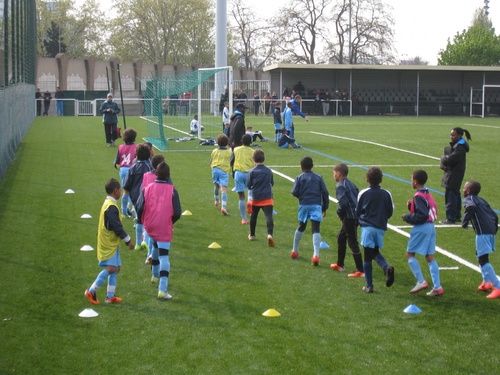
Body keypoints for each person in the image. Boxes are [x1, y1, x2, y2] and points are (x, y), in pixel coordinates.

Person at [84, 178, 134, 305]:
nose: (121, 192)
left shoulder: (108, 204)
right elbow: (117, 227)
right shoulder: (111, 207)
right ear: (115, 191)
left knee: (116, 268)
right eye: (120, 190)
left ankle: (110, 296)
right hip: (108, 243)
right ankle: (91, 291)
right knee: (111, 267)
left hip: (111, 242)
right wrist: (128, 241)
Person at [136, 162, 182, 300]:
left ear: (155, 173)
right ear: (168, 175)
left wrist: (144, 221)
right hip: (163, 226)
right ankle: (163, 289)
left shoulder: (147, 188)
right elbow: (178, 212)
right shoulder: (172, 190)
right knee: (164, 256)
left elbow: (139, 207)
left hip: (150, 224)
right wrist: (169, 222)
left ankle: (155, 275)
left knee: (155, 245)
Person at [402, 170, 443, 296]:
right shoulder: (427, 193)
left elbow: (422, 215)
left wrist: (408, 217)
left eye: (411, 179)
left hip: (422, 227)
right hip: (431, 226)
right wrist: (412, 208)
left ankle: (421, 281)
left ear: (415, 181)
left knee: (410, 253)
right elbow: (428, 210)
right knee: (429, 256)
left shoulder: (418, 196)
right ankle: (437, 287)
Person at [357, 167, 395, 293]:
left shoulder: (363, 193)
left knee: (367, 257)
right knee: (375, 252)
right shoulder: (386, 193)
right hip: (380, 227)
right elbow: (390, 211)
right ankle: (386, 268)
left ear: (367, 180)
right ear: (381, 180)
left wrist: (359, 222)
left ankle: (369, 285)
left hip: (368, 227)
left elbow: (358, 211)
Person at [461, 180, 500, 299]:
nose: (463, 190)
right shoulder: (482, 200)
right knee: (480, 256)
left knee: (483, 259)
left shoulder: (469, 199)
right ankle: (486, 281)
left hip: (483, 232)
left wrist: (465, 221)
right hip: (491, 230)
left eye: (464, 188)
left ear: (468, 191)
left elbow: (471, 207)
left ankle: (497, 286)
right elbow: (494, 215)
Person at [290, 156, 329, 265]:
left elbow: (294, 191)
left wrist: (301, 197)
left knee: (301, 225)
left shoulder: (299, 177)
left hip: (304, 204)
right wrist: (324, 207)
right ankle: (316, 255)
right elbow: (325, 193)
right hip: (316, 205)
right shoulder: (318, 177)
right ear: (312, 166)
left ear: (301, 167)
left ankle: (294, 251)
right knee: (316, 228)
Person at [330, 163, 364, 277]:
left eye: (334, 173)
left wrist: (339, 213)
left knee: (352, 241)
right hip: (355, 215)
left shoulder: (340, 186)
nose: (333, 175)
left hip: (349, 217)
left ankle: (360, 270)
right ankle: (340, 264)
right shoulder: (351, 184)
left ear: (339, 174)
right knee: (341, 237)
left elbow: (342, 203)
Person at [141, 154, 170, 265]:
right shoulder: (166, 179)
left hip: (149, 207)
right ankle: (151, 256)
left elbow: (142, 189)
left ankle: (149, 253)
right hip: (160, 208)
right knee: (157, 237)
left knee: (149, 231)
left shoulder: (146, 176)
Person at [123, 143, 154, 251]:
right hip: (147, 196)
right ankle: (145, 241)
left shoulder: (133, 168)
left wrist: (124, 205)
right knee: (147, 219)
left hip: (135, 197)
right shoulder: (150, 166)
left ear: (136, 155)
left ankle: (137, 244)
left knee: (139, 219)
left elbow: (126, 185)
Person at [440, 127, 472, 224]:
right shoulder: (458, 145)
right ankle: (457, 215)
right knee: (455, 193)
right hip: (454, 172)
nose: (451, 137)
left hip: (454, 173)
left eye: (453, 135)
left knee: (451, 195)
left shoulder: (460, 147)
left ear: (459, 135)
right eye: (451, 135)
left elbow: (452, 159)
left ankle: (451, 217)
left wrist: (443, 159)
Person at [246, 149, 275, 247]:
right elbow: (272, 183)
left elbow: (249, 185)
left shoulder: (252, 171)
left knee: (254, 216)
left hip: (256, 197)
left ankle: (252, 235)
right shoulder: (268, 170)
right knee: (269, 216)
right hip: (267, 197)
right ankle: (270, 234)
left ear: (253, 159)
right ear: (264, 159)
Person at [113, 128, 138, 218]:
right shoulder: (136, 147)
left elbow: (116, 163)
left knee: (125, 191)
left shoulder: (120, 147)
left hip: (123, 170)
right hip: (133, 170)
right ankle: (134, 209)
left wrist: (121, 169)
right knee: (135, 190)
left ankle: (123, 211)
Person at [231, 134, 254, 224]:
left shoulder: (236, 150)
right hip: (249, 173)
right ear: (251, 142)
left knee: (241, 196)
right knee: (251, 191)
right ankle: (250, 201)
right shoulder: (253, 151)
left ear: (241, 141)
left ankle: (244, 219)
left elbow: (231, 161)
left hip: (239, 173)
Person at [211, 134, 232, 215]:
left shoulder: (214, 151)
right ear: (227, 143)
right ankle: (223, 207)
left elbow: (211, 160)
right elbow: (231, 159)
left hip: (215, 169)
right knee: (223, 190)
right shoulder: (229, 152)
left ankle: (216, 201)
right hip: (224, 171)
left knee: (216, 185)